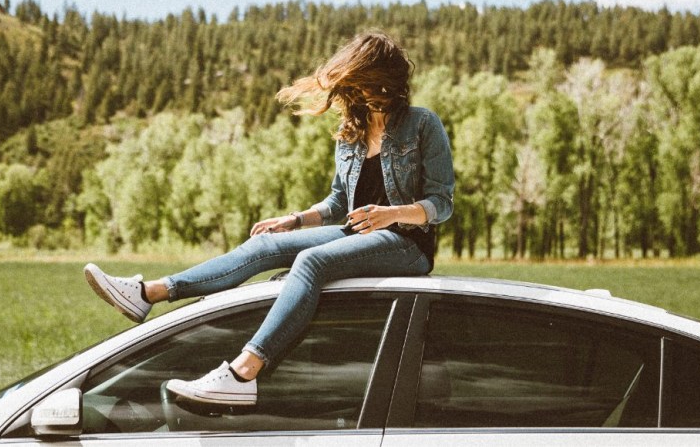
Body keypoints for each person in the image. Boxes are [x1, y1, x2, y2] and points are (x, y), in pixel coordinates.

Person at [83, 30, 455, 407]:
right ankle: (148, 293)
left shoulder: (422, 124)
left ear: (384, 79)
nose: (358, 93)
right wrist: (293, 220)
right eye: (354, 85)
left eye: (363, 83)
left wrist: (391, 214)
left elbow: (442, 202)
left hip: (408, 244)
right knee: (264, 245)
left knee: (311, 262)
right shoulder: (351, 134)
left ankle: (243, 373)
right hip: (352, 234)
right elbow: (339, 201)